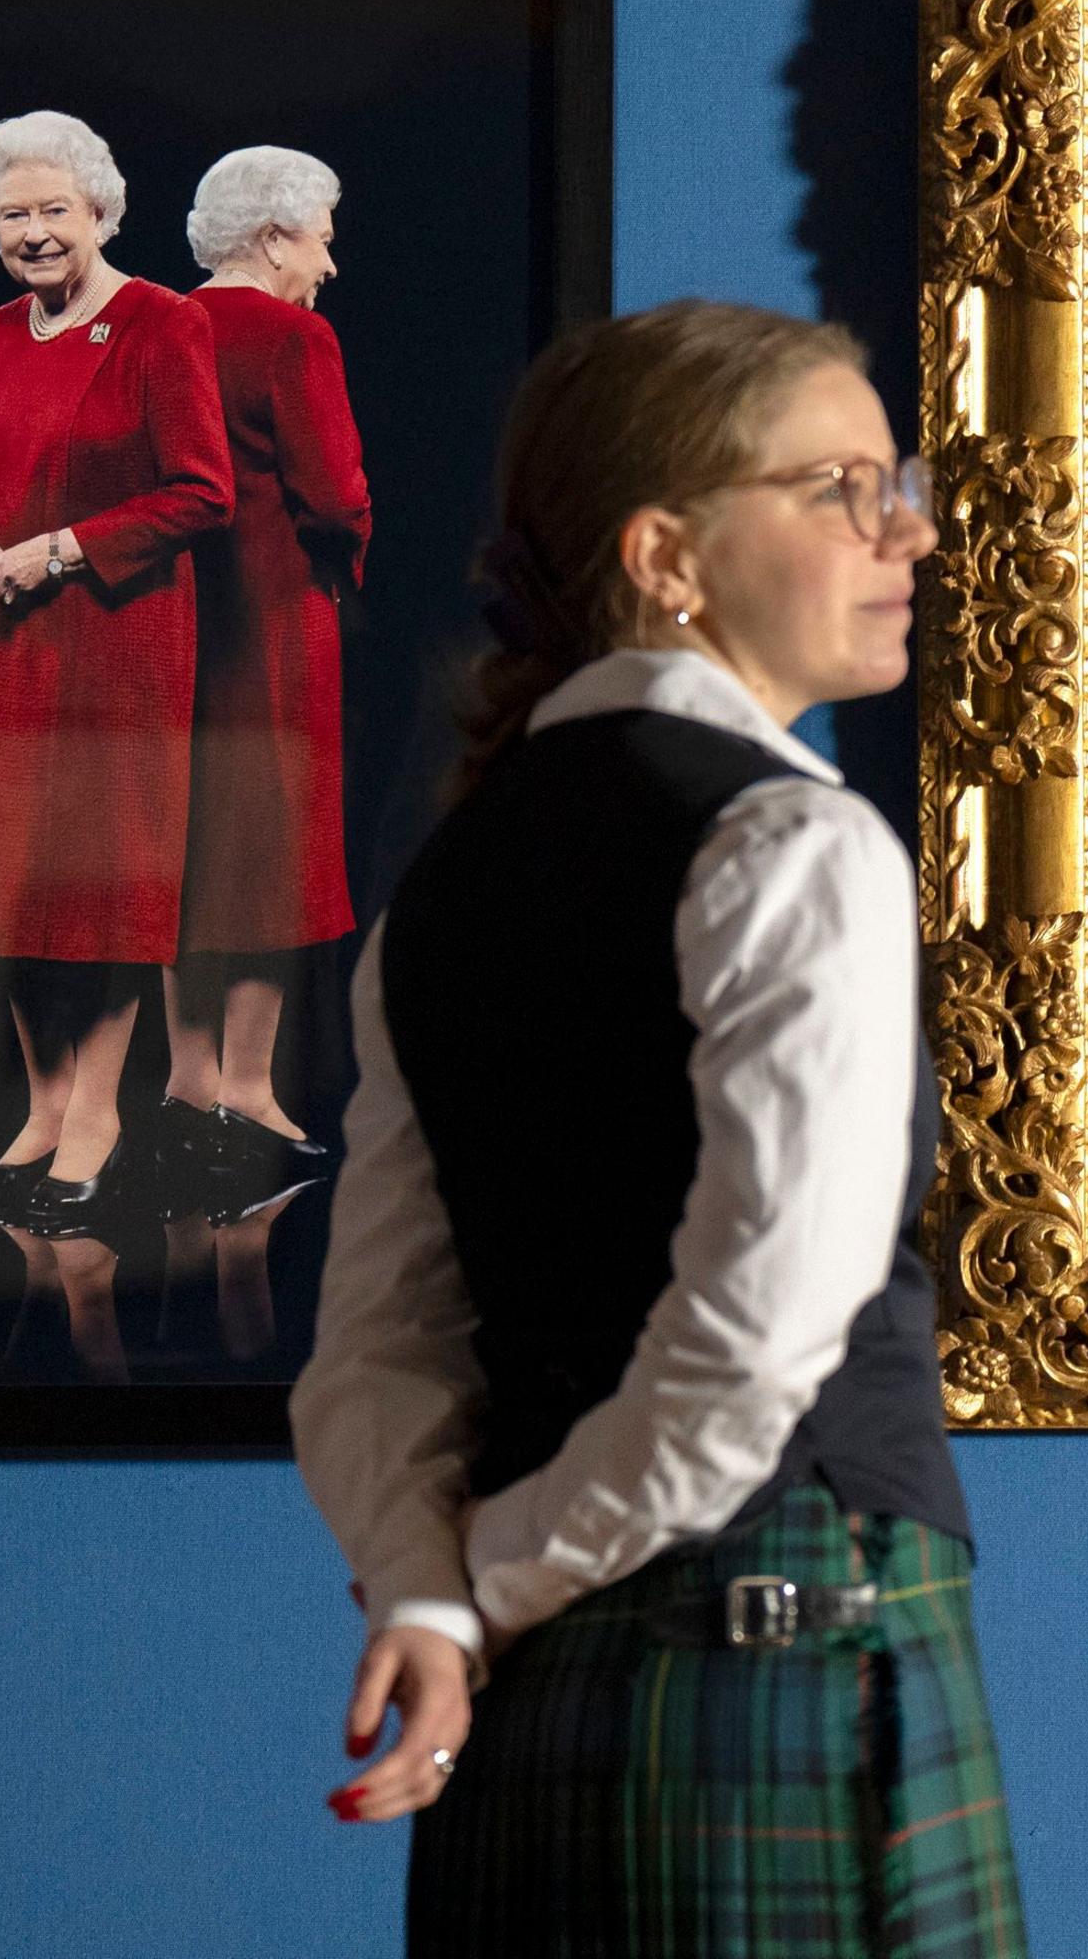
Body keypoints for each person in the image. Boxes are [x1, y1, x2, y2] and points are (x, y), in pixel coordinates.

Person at [290, 299, 1026, 1956]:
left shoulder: (442, 894)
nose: (903, 525)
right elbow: (757, 1342)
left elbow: (377, 1354)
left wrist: (430, 1587)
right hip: (782, 1666)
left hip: (529, 1720)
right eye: (842, 484)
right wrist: (477, 1589)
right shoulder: (795, 848)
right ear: (667, 557)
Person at [0, 112, 233, 1233]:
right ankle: (45, 1104)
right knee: (13, 890)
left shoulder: (164, 322)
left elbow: (203, 489)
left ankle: (98, 1114)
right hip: (3, 651)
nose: (35, 232)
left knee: (102, 888)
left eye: (55, 209)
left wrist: (61, 549)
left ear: (101, 209)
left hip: (116, 648)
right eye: (13, 215)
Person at [163, 146, 372, 1211]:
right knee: (270, 846)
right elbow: (333, 492)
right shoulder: (294, 334)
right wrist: (344, 565)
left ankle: (187, 1081)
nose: (328, 262)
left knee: (185, 846)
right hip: (275, 617)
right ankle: (247, 1090)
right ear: (279, 234)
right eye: (323, 235)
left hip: (164, 619)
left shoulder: (155, 322)